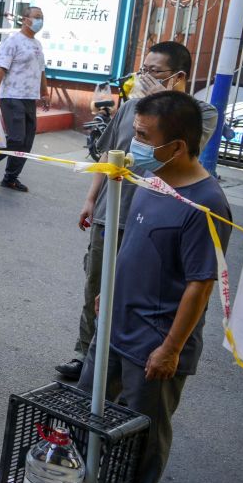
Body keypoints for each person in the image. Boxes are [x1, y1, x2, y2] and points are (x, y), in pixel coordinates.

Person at [76, 91, 231, 483]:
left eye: (143, 137)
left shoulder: (206, 203)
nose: (134, 146)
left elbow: (200, 284)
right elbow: (133, 243)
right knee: (86, 403)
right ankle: (88, 479)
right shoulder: (152, 179)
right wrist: (111, 290)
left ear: (178, 146)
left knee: (142, 428)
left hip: (154, 341)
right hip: (114, 324)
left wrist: (170, 348)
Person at [58, 41, 221, 380]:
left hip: (154, 215)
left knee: (142, 291)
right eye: (142, 69)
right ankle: (87, 353)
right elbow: (109, 154)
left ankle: (132, 357)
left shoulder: (199, 113)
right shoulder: (131, 107)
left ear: (178, 76)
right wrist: (91, 198)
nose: (144, 76)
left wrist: (164, 101)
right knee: (98, 287)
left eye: (154, 71)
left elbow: (192, 145)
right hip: (111, 211)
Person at [0, 6, 48, 192]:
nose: (40, 21)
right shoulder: (13, 42)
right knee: (17, 139)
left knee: (26, 142)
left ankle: (10, 178)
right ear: (25, 19)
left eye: (42, 17)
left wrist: (45, 93)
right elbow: (0, 69)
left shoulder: (37, 45)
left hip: (29, 98)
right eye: (37, 17)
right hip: (11, 96)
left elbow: (41, 71)